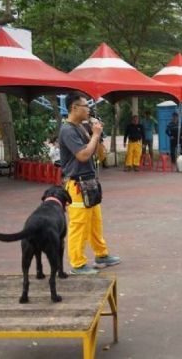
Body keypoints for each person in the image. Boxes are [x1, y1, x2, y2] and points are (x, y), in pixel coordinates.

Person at [58, 92, 120, 275]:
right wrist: (94, 135)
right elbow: (83, 155)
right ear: (74, 108)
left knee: (95, 222)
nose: (89, 110)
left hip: (90, 181)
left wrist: (98, 136)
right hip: (76, 184)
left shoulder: (82, 128)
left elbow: (99, 154)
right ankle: (77, 263)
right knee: (79, 224)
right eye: (85, 106)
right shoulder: (67, 130)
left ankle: (101, 254)